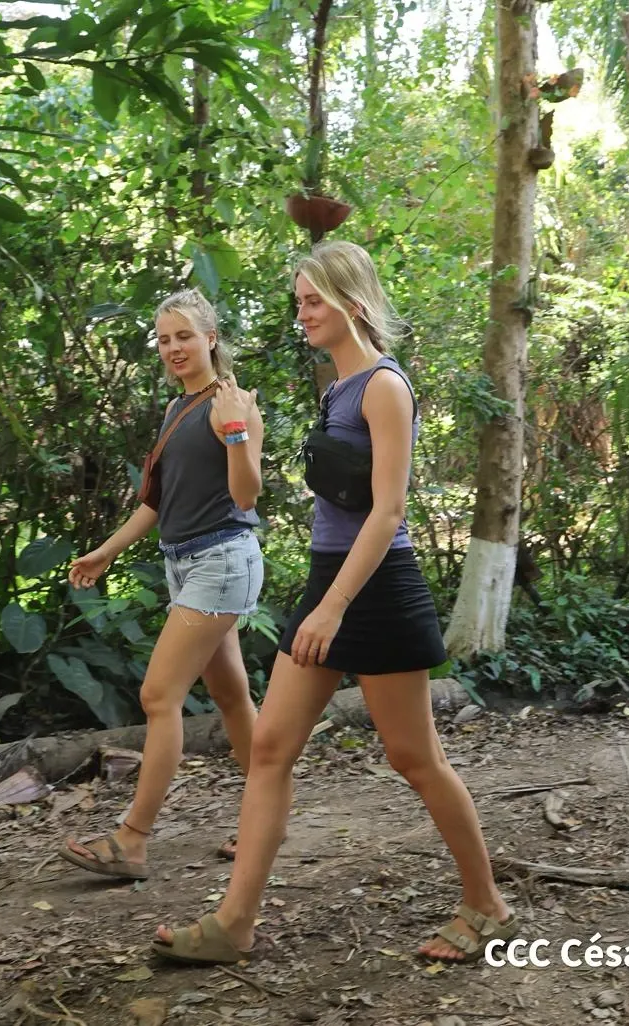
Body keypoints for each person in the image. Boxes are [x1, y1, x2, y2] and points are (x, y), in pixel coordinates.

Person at [151, 241, 519, 965]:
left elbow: (387, 512)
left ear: (353, 301)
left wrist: (334, 607)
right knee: (270, 749)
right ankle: (235, 923)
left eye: (313, 300)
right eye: (298, 301)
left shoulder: (385, 386)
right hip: (330, 580)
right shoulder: (337, 388)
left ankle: (487, 903)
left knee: (414, 758)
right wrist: (322, 598)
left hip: (374, 589)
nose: (303, 312)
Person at [58, 288, 265, 880]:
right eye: (164, 338)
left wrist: (234, 434)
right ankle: (266, 818)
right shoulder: (179, 409)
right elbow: (157, 503)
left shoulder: (233, 402)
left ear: (211, 339)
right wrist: (105, 551)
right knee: (230, 698)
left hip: (221, 560)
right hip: (186, 562)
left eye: (184, 336)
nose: (172, 347)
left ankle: (132, 840)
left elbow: (247, 495)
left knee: (158, 696)